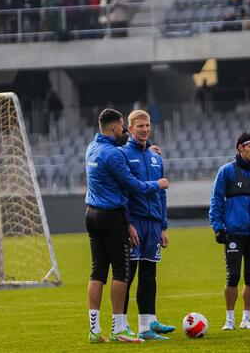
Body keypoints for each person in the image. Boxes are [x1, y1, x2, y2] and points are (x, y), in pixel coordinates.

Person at [85, 108, 169, 344]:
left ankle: (94, 329)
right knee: (122, 273)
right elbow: (134, 186)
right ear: (116, 128)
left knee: (97, 271)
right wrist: (158, 184)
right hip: (112, 216)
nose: (124, 131)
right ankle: (119, 328)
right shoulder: (114, 154)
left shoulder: (92, 148)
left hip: (91, 213)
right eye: (123, 127)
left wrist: (147, 152)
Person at [119, 110, 176, 340]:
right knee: (128, 275)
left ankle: (146, 325)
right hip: (135, 222)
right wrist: (128, 224)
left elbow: (162, 195)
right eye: (140, 126)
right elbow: (123, 193)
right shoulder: (122, 155)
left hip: (153, 225)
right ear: (130, 129)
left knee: (149, 276)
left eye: (147, 125)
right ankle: (120, 325)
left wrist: (163, 226)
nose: (144, 129)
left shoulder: (155, 157)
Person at [210, 130, 250, 331]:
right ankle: (229, 319)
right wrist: (218, 227)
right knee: (233, 276)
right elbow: (216, 200)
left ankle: (247, 318)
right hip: (234, 232)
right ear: (240, 148)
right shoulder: (226, 171)